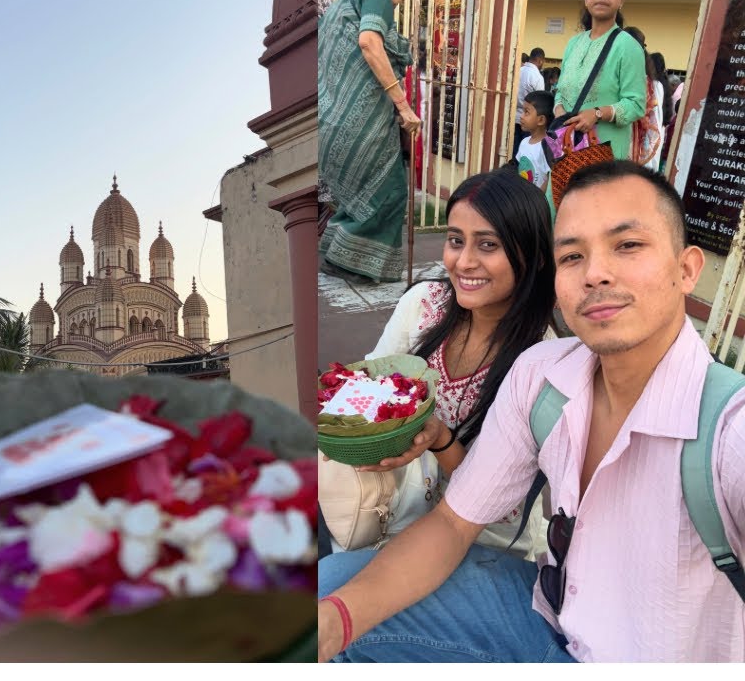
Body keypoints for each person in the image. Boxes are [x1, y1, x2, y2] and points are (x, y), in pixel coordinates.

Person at [318, 160, 745, 662]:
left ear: (686, 269)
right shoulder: (542, 375)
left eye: (627, 245)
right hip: (550, 617)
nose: (596, 273)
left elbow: (499, 519)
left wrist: (440, 440)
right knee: (326, 591)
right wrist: (338, 622)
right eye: (573, 255)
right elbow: (455, 524)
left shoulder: (726, 433)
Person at [319, 170, 556, 560]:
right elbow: (371, 387)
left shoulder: (541, 360)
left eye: (488, 244)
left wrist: (440, 439)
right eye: (455, 240)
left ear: (532, 257)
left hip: (480, 543)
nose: (464, 262)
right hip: (393, 516)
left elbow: (500, 504)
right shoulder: (423, 305)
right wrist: (351, 431)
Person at [318, 0, 421, 285]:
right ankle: (356, 265)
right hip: (362, 117)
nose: (396, 6)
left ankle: (338, 257)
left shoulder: (339, 4)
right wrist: (403, 106)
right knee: (390, 192)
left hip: (330, 118)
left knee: (356, 197)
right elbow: (369, 43)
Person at [552, 0, 647, 161]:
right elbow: (560, 91)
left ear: (622, 0)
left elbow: (636, 105)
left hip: (602, 155)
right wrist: (559, 110)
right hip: (566, 149)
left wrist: (597, 113)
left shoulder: (628, 46)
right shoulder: (573, 44)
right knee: (564, 189)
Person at [624, 27, 665, 170]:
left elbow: (655, 124)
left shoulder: (654, 86)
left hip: (637, 154)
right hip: (641, 156)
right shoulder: (656, 85)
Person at [515, 90, 558, 215]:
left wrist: (534, 202)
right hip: (523, 202)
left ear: (541, 120)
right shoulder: (524, 142)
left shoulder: (547, 147)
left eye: (526, 112)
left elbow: (548, 180)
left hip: (536, 207)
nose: (522, 116)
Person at [514, 48, 547, 152]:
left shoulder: (518, 70)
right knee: (526, 148)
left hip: (513, 117)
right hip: (529, 120)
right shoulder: (537, 77)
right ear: (540, 60)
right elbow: (540, 101)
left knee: (514, 147)